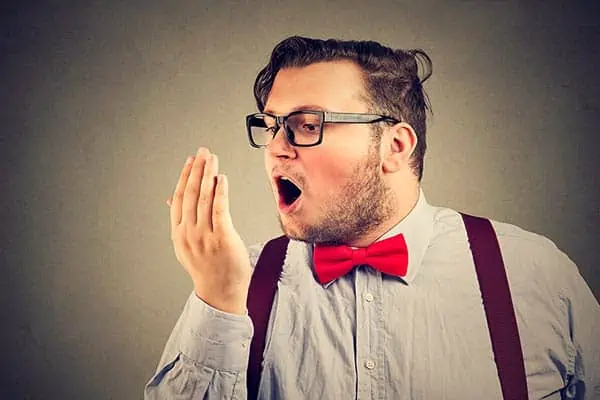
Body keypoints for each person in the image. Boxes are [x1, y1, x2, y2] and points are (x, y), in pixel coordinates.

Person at [144, 36, 600, 399]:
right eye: (271, 125)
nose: (277, 148)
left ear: (395, 147)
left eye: (307, 124)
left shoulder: (533, 274)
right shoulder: (237, 285)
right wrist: (219, 299)